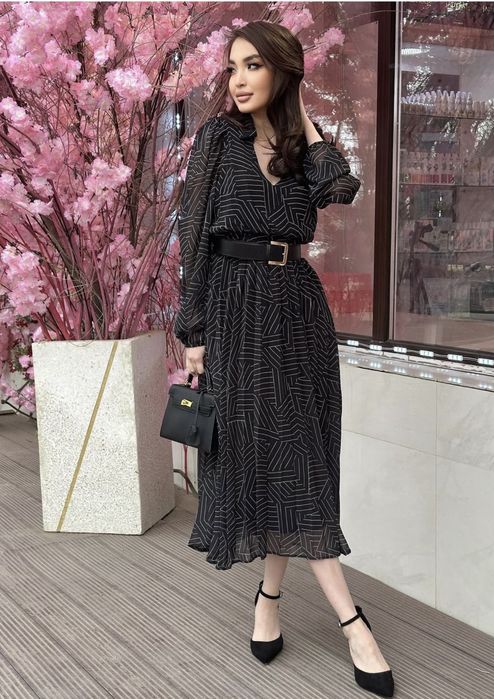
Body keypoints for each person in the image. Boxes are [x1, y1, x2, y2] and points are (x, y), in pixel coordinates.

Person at [174, 20, 394, 698]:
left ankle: (268, 598)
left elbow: (342, 187)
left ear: (282, 71)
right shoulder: (218, 139)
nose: (237, 79)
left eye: (253, 66)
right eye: (232, 67)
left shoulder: (303, 149)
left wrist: (303, 118)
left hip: (297, 308)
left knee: (298, 454)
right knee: (276, 454)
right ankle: (352, 623)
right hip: (234, 309)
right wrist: (192, 329)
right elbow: (192, 237)